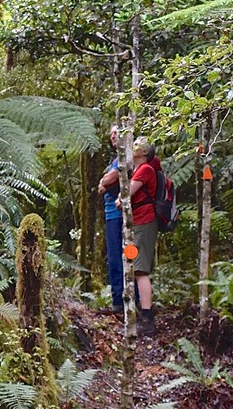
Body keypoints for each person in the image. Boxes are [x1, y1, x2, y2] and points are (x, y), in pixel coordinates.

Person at [117, 137, 159, 335]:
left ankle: (147, 317)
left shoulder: (145, 170)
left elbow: (124, 197)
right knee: (133, 264)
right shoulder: (136, 170)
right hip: (135, 224)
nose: (134, 145)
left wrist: (120, 199)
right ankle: (136, 311)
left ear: (145, 152)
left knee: (141, 269)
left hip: (144, 223)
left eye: (139, 144)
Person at [97, 125, 124, 314]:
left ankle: (121, 302)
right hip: (111, 215)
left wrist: (105, 181)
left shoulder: (125, 158)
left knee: (120, 257)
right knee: (115, 258)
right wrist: (105, 182)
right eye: (111, 134)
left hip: (119, 216)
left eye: (116, 132)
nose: (113, 136)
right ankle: (120, 300)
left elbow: (106, 181)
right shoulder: (117, 160)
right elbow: (102, 185)